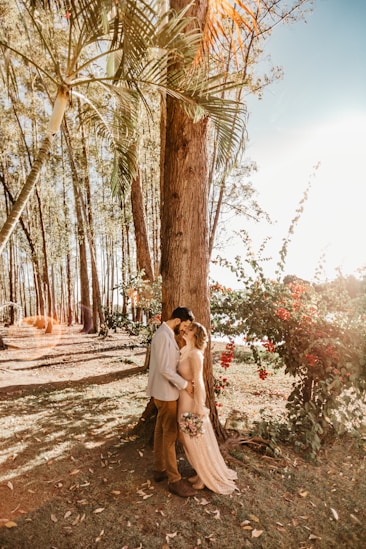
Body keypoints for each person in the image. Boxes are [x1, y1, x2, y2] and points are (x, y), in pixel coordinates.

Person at [178, 322, 238, 494]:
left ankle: (205, 477)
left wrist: (199, 404)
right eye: (187, 329)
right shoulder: (185, 351)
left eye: (189, 330)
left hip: (191, 401)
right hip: (183, 399)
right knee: (186, 439)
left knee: (193, 439)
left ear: (196, 336)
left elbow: (200, 381)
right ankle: (200, 472)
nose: (185, 331)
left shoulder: (196, 354)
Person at [146, 306, 197, 498]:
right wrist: (185, 384)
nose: (184, 329)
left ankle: (159, 469)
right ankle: (174, 480)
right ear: (178, 320)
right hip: (166, 394)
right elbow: (166, 370)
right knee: (170, 435)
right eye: (184, 325)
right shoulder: (162, 336)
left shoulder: (166, 335)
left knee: (160, 430)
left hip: (163, 392)